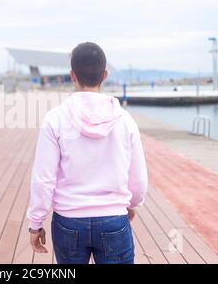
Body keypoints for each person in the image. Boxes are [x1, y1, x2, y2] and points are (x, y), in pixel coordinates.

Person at [27, 42, 148, 264]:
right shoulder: (125, 120)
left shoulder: (55, 119)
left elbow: (43, 179)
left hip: (68, 221)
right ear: (104, 75)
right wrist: (131, 205)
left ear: (72, 75)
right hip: (114, 219)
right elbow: (138, 179)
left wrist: (36, 223)